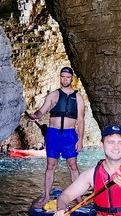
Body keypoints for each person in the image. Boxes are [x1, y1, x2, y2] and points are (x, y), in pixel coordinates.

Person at [29, 66, 86, 207]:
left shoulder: (78, 97)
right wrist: (35, 115)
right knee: (50, 166)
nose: (65, 79)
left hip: (70, 135)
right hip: (53, 134)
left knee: (73, 166)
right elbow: (42, 111)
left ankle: (78, 197)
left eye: (67, 77)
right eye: (62, 77)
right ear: (60, 77)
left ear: (72, 78)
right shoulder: (53, 95)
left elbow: (81, 120)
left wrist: (80, 139)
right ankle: (46, 197)